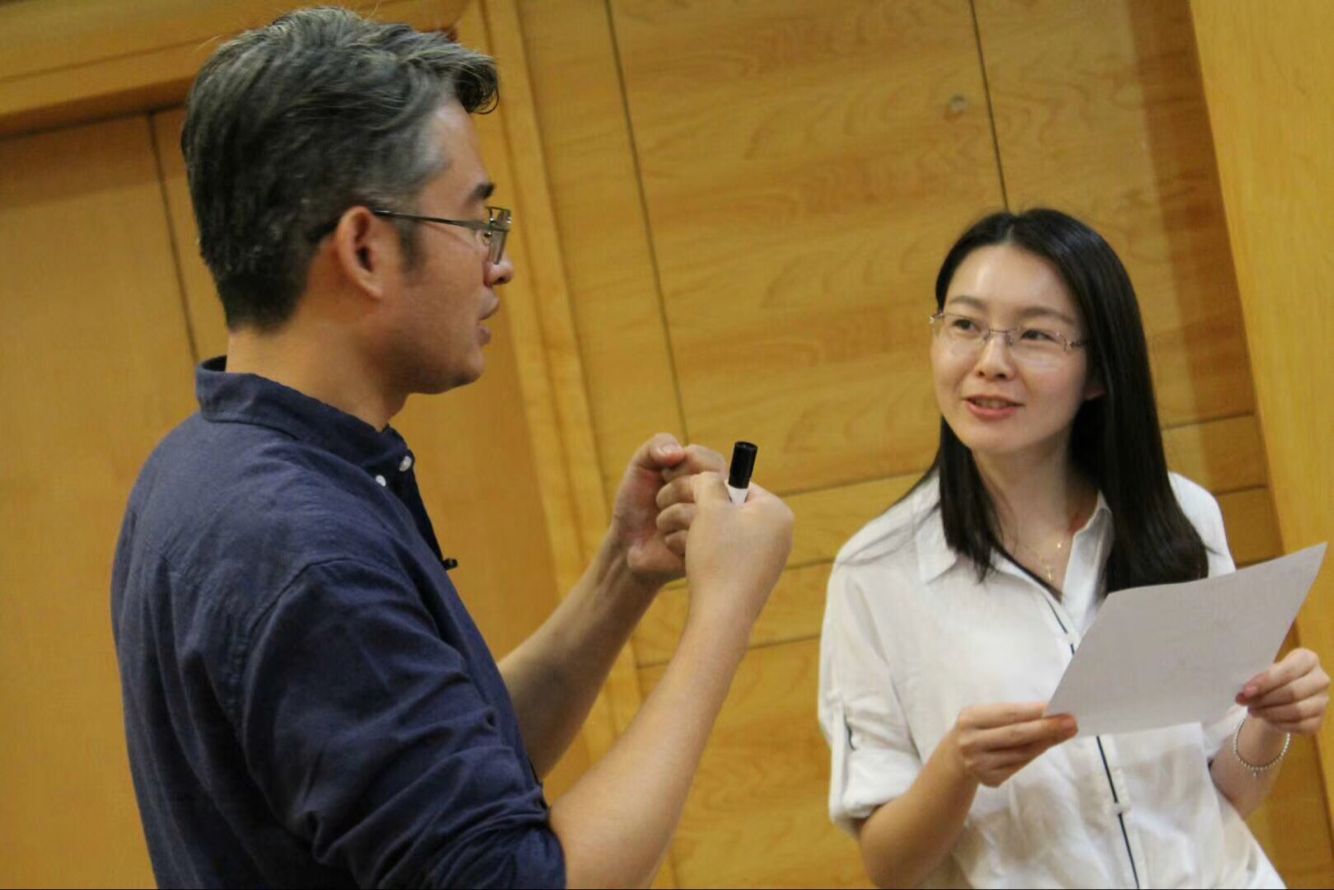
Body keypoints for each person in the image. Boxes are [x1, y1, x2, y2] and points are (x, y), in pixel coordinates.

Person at [110, 8, 793, 888]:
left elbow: (442, 791)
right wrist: (726, 610)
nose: (496, 263)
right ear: (364, 248)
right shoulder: (303, 548)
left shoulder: (202, 468)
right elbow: (515, 878)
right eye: (475, 222)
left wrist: (621, 578)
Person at [818, 208, 1329, 888]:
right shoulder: (874, 574)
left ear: (1098, 373)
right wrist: (957, 768)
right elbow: (890, 865)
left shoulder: (1180, 517)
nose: (990, 363)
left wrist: (1271, 722)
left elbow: (1224, 795)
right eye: (965, 325)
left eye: (1034, 335)